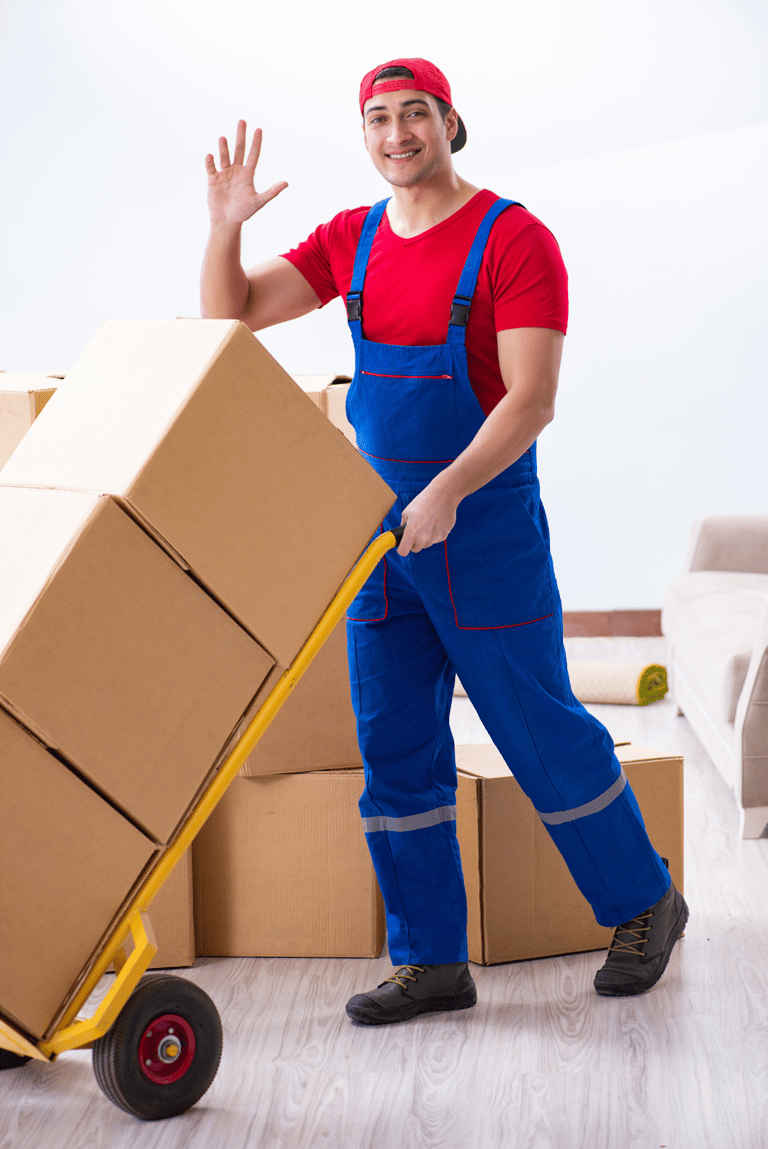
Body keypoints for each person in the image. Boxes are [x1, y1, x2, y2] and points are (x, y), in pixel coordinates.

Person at [200, 57, 689, 1026]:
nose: (397, 135)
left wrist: (447, 493)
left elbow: (532, 399)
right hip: (379, 544)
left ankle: (645, 903)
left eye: (414, 114)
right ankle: (430, 960)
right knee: (394, 746)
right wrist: (225, 228)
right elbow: (232, 316)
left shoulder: (514, 240)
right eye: (379, 118)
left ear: (450, 123)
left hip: (483, 531)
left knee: (538, 730)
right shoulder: (353, 239)